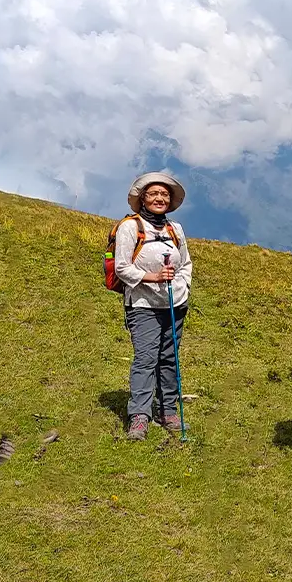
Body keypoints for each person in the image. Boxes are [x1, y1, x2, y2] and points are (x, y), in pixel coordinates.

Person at [112, 172, 194, 441]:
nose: (160, 198)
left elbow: (185, 264)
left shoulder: (175, 229)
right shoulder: (130, 227)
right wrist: (153, 278)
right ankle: (139, 416)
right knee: (146, 359)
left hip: (174, 303)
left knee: (169, 358)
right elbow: (123, 267)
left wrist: (182, 288)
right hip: (143, 304)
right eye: (153, 194)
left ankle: (168, 410)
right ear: (143, 199)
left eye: (164, 195)